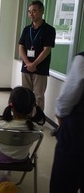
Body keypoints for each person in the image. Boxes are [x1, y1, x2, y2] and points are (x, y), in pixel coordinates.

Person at [50, 52, 84, 193]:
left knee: (64, 183)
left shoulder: (82, 60)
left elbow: (66, 100)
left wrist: (61, 122)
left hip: (77, 133)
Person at [0, 86, 45, 164]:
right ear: (32, 108)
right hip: (22, 159)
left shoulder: (0, 125)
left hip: (0, 156)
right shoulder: (36, 128)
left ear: (10, 104)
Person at [18, 0, 56, 111]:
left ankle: (37, 120)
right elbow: (21, 47)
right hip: (26, 67)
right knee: (26, 95)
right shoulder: (26, 29)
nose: (31, 14)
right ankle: (26, 118)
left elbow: (47, 49)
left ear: (41, 12)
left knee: (38, 96)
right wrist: (28, 63)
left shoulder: (49, 30)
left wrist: (34, 64)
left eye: (34, 11)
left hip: (40, 68)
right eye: (29, 11)